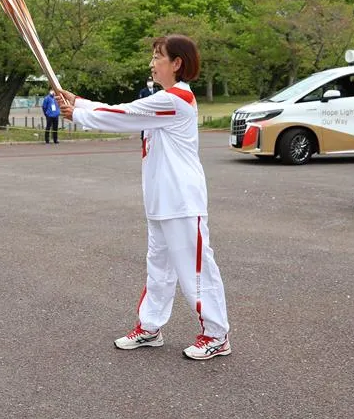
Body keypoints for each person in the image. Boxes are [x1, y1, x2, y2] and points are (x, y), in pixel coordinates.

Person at [58, 35, 230, 360]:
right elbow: (126, 111)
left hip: (181, 201)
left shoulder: (176, 99)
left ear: (176, 63)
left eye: (157, 57)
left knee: (196, 271)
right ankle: (150, 327)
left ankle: (216, 335)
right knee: (159, 269)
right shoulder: (163, 100)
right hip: (160, 201)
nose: (152, 63)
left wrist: (78, 113)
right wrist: (77, 102)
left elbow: (124, 114)